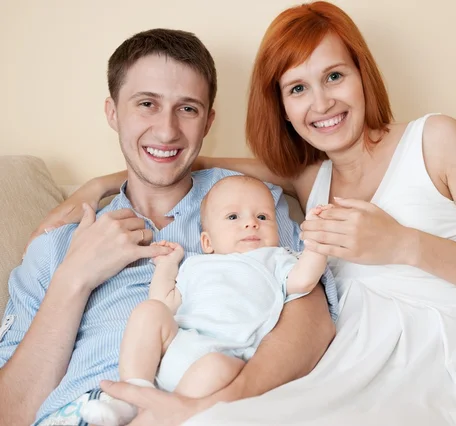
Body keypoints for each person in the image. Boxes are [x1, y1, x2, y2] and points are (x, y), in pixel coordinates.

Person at [31, 1, 456, 425]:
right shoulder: (312, 179)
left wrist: (405, 244)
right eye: (298, 89)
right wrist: (104, 181)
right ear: (283, 107)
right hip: (361, 360)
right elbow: (186, 153)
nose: (322, 104)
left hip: (453, 351)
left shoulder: (436, 140)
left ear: (363, 74)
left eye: (334, 76)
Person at [0, 28, 338, 426]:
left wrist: (220, 401)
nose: (167, 130)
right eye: (147, 104)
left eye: (188, 109)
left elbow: (312, 320)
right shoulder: (56, 245)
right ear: (112, 112)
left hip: (209, 404)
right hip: (83, 411)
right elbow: (11, 412)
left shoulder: (249, 206)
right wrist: (74, 279)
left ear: (208, 121)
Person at [81, 176, 331, 426]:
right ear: (207, 242)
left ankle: (159, 417)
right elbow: (164, 303)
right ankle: (132, 394)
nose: (251, 224)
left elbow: (304, 280)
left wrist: (318, 244)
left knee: (215, 367)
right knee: (149, 311)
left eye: (263, 217)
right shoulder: (195, 265)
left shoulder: (277, 259)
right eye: (233, 217)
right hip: (178, 345)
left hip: (227, 356)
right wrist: (166, 266)